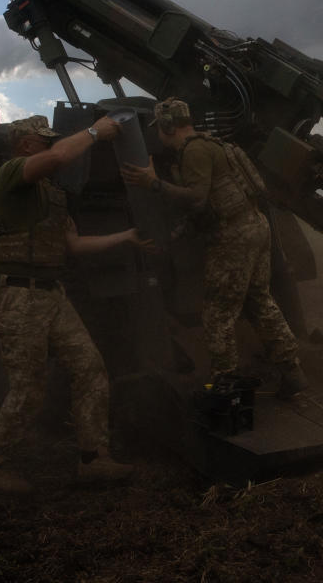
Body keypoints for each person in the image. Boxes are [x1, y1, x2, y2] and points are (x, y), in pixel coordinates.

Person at [0, 115, 152, 496]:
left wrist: (126, 237)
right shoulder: (11, 173)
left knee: (90, 367)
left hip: (50, 294)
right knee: (29, 388)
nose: (51, 146)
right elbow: (58, 158)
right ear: (25, 144)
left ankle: (93, 459)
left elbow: (73, 247)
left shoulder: (52, 196)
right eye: (43, 141)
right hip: (15, 296)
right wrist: (94, 133)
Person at [119, 99, 309, 398]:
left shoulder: (193, 151)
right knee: (260, 301)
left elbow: (197, 199)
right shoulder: (212, 144)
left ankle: (227, 389)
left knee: (217, 315)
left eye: (160, 129)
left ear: (168, 126)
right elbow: (205, 207)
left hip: (234, 235)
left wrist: (152, 183)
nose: (158, 135)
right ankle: (292, 371)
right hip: (254, 226)